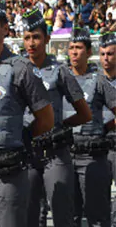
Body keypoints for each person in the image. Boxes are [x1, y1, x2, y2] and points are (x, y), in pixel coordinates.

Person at [0, 0, 54, 227]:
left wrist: (21, 137)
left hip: (8, 174)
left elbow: (46, 118)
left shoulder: (21, 68)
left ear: (5, 29)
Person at [21, 9, 92, 227]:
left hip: (55, 153)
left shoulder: (60, 71)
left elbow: (84, 113)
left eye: (36, 37)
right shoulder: (16, 69)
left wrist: (61, 125)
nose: (31, 43)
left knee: (62, 213)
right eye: (27, 38)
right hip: (27, 153)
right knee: (30, 215)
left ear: (47, 39)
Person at [64, 27, 116, 227]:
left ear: (88, 52)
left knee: (97, 218)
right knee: (70, 217)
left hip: (92, 157)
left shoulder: (99, 81)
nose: (74, 52)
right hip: (66, 156)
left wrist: (106, 128)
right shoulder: (61, 79)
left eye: (79, 48)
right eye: (71, 48)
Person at [99, 32, 116, 225]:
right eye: (103, 54)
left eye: (110, 54)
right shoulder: (95, 81)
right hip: (100, 146)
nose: (106, 58)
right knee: (99, 196)